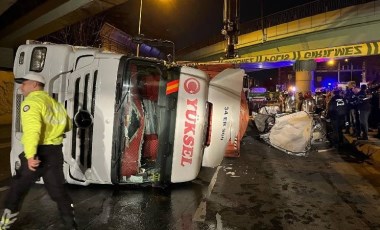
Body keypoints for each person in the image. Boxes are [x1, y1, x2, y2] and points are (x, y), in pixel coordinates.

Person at [0, 73, 77, 229]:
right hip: (55, 153)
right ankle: (71, 224)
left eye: (24, 83)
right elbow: (68, 125)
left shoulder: (32, 102)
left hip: (38, 153)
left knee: (17, 188)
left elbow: (32, 131)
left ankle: (4, 225)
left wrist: (30, 156)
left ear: (34, 85)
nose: (21, 87)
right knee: (58, 192)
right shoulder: (54, 103)